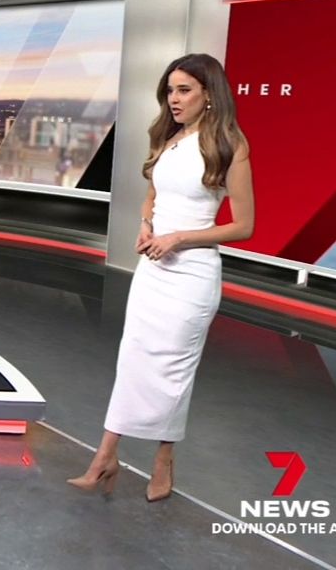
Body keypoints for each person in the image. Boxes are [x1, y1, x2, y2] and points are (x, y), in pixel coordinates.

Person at [68, 53, 254, 502]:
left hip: (192, 275)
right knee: (133, 359)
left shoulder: (230, 145)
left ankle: (163, 462)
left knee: (172, 369)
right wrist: (146, 224)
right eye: (170, 90)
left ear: (209, 95)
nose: (174, 98)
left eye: (184, 90)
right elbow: (152, 194)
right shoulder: (169, 139)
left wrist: (179, 238)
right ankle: (105, 457)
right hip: (153, 270)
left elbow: (243, 226)